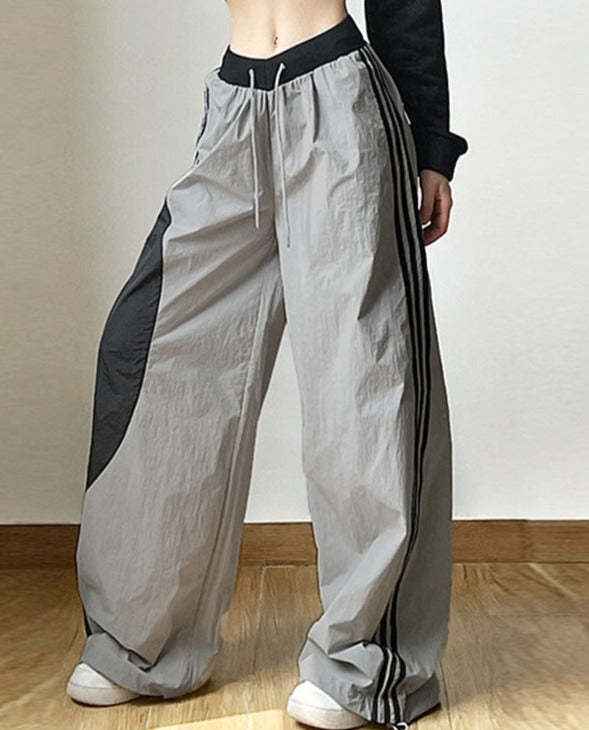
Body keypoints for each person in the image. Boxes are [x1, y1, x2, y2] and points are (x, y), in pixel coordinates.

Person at [66, 1, 468, 728]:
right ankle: (139, 641)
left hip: (340, 96)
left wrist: (431, 146)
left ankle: (367, 662)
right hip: (235, 102)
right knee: (158, 354)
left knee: (362, 378)